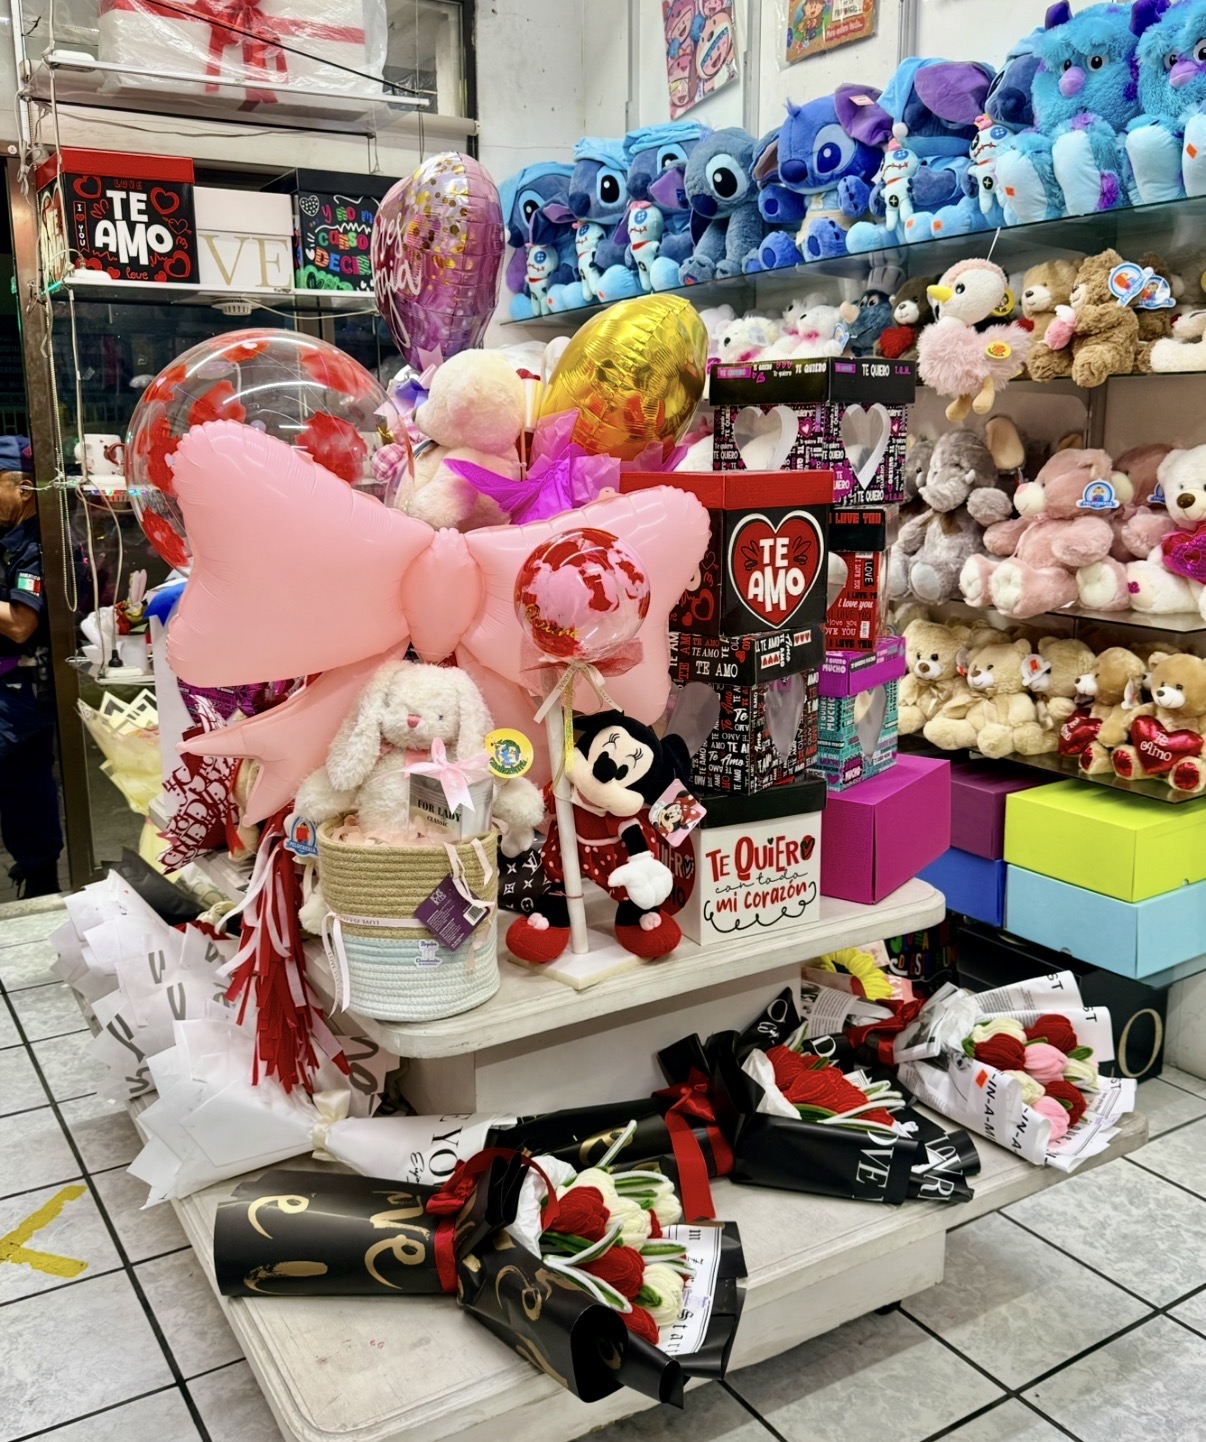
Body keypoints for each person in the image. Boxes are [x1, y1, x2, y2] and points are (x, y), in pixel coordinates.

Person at [0, 438, 62, 897]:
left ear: (24, 490)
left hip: (22, 692)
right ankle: (37, 874)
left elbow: (21, 624)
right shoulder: (9, 539)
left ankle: (40, 880)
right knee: (22, 788)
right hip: (12, 689)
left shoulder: (39, 544)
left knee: (26, 786)